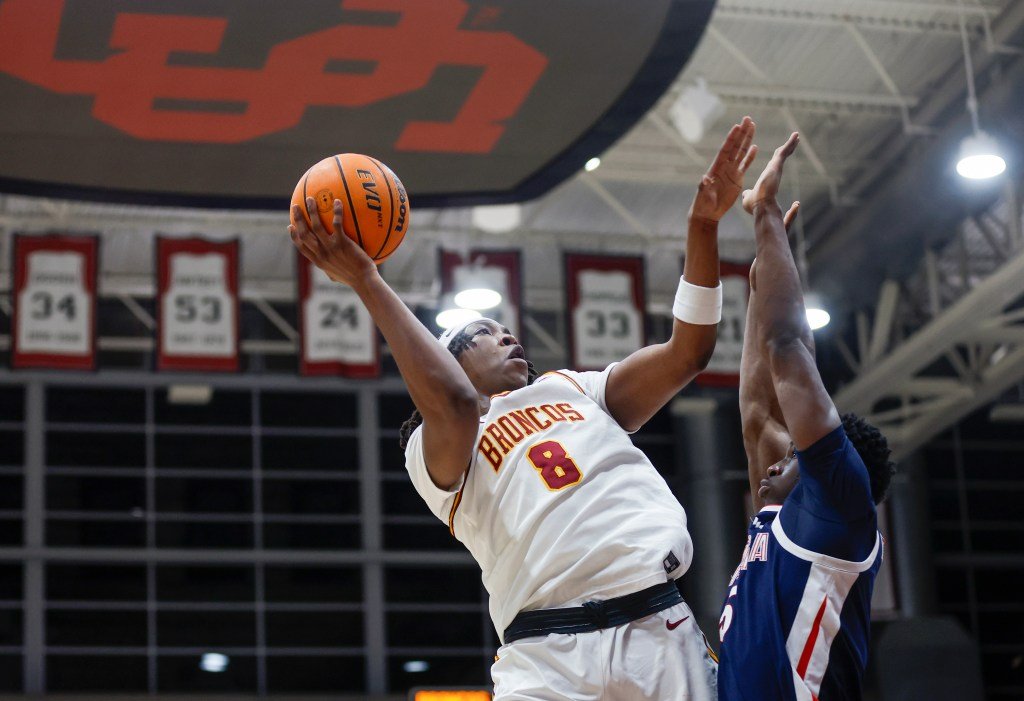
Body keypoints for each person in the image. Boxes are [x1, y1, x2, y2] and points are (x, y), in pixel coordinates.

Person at [289, 118, 762, 700]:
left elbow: (689, 352)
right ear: (449, 362)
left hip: (655, 627)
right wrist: (367, 279)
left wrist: (703, 227)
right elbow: (454, 403)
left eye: (506, 329)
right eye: (484, 334)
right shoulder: (430, 447)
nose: (509, 336)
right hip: (545, 657)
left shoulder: (576, 389)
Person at [716, 132, 896, 701]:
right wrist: (760, 279)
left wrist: (767, 217)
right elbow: (758, 412)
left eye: (795, 456)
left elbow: (787, 345)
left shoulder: (839, 511)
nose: (774, 466)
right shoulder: (791, 517)